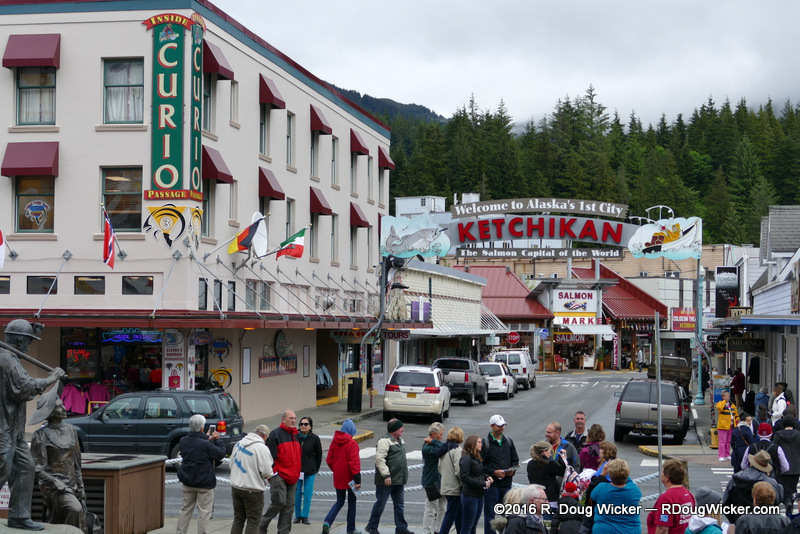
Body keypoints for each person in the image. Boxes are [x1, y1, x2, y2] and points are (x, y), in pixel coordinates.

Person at [0, 319, 66, 531]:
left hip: (15, 430)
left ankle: (19, 516)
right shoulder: (6, 359)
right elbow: (23, 389)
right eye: (28, 342)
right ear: (19, 340)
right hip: (3, 429)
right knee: (2, 469)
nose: (29, 347)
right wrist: (50, 379)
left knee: (25, 468)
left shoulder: (12, 359)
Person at [29, 383, 89, 534]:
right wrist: (55, 482)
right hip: (54, 487)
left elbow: (76, 463)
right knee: (75, 509)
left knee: (62, 519)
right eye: (59, 407)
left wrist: (81, 488)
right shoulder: (41, 435)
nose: (64, 408)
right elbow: (37, 468)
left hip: (71, 485)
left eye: (62, 405)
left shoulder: (71, 430)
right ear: (50, 412)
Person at [176, 414, 226, 534]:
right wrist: (217, 439)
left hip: (188, 480)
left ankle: (180, 532)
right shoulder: (205, 444)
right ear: (202, 428)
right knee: (204, 512)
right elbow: (220, 454)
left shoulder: (183, 441)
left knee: (185, 510)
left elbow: (196, 446)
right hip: (204, 482)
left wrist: (206, 437)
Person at [365, 419, 414, 534]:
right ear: (394, 430)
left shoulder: (400, 440)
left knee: (399, 505)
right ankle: (372, 526)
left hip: (398, 479)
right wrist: (386, 475)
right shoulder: (384, 441)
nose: (403, 429)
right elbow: (380, 460)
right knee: (380, 504)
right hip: (386, 480)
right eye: (400, 427)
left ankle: (401, 528)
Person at [260, 410, 302, 534]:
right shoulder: (275, 434)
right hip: (279, 475)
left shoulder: (296, 435)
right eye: (290, 418)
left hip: (293, 476)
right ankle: (262, 524)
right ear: (283, 419)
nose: (293, 420)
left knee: (289, 506)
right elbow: (269, 456)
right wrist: (274, 472)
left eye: (294, 418)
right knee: (279, 502)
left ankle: (284, 531)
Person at [230, 425, 274, 534]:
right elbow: (267, 472)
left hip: (236, 487)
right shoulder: (262, 448)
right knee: (253, 520)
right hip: (253, 489)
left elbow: (231, 464)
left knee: (238, 519)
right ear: (265, 436)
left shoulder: (239, 444)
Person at [723, 450, 783, 524]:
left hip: (740, 521)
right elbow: (778, 499)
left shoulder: (735, 479)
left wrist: (735, 520)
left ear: (751, 463)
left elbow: (726, 504)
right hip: (765, 522)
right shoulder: (771, 483)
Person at [482, 414, 519, 534]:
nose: (502, 427)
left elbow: (515, 460)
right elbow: (480, 465)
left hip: (506, 485)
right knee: (490, 515)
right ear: (492, 426)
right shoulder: (485, 443)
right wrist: (493, 472)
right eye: (499, 426)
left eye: (503, 425)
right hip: (492, 486)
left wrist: (512, 470)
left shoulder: (508, 441)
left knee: (508, 515)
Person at [322, 419, 361, 534]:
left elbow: (329, 460)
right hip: (351, 478)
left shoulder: (334, 442)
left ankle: (327, 521)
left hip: (338, 476)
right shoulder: (352, 443)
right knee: (352, 503)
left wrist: (336, 470)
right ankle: (351, 529)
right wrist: (357, 479)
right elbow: (354, 463)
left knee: (339, 501)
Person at [590, 459, 642, 534]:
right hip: (630, 531)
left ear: (610, 474)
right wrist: (622, 471)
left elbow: (592, 495)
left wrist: (603, 473)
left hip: (604, 530)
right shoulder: (634, 490)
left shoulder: (600, 488)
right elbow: (629, 481)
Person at [646, 459, 695, 534]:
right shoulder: (688, 495)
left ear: (667, 478)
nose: (661, 474)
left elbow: (662, 529)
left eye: (662, 472)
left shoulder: (666, 498)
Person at [460, 435, 493, 534]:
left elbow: (478, 473)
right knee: (467, 525)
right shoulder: (466, 459)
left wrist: (487, 476)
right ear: (472, 444)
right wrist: (483, 483)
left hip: (479, 495)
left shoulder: (476, 457)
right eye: (479, 442)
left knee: (474, 524)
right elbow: (465, 477)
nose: (481, 444)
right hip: (470, 496)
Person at [293, 416, 322, 526]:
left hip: (310, 470)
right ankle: (297, 515)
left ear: (310, 426)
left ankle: (305, 516)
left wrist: (316, 468)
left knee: (307, 494)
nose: (303, 426)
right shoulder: (295, 437)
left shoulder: (314, 438)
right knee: (297, 494)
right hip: (297, 471)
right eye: (301, 424)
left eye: (306, 424)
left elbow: (319, 454)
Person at [770, 416, 800, 513]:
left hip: (781, 467)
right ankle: (789, 502)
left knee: (782, 488)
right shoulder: (798, 434)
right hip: (796, 467)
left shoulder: (778, 435)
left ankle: (787, 502)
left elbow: (774, 449)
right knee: (792, 488)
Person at [526, 441, 566, 511]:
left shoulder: (530, 464)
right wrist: (563, 458)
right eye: (550, 452)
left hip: (535, 496)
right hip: (550, 498)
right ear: (544, 452)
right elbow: (564, 472)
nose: (550, 454)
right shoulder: (549, 464)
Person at [438, 427, 464, 534]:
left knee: (457, 513)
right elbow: (459, 470)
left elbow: (439, 468)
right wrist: (463, 482)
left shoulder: (443, 450)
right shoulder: (457, 450)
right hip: (455, 487)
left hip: (446, 485)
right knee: (451, 514)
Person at [422, 423, 446, 534]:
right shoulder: (427, 448)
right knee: (430, 509)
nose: (442, 437)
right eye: (440, 435)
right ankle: (427, 531)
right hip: (431, 482)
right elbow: (443, 449)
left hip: (442, 481)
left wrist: (434, 441)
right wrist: (434, 442)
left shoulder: (434, 444)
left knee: (442, 509)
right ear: (433, 434)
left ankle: (438, 530)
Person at [715, 390, 738, 461]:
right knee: (722, 441)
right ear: (722, 397)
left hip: (731, 425)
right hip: (723, 425)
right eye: (726, 396)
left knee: (728, 441)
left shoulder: (732, 405)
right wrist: (724, 402)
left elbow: (736, 414)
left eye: (728, 396)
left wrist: (737, 419)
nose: (727, 397)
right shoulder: (720, 403)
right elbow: (719, 408)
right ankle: (721, 455)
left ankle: (727, 454)